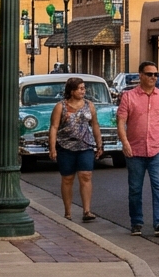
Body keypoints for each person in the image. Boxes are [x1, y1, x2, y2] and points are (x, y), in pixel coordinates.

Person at [117, 61, 159, 237]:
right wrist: (125, 143)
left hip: (158, 149)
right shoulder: (128, 96)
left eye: (156, 75)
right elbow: (121, 122)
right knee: (135, 188)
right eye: (149, 74)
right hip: (135, 150)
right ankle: (136, 222)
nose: (153, 78)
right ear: (140, 75)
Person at [47, 77, 103, 222]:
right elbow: (54, 127)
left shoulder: (89, 105)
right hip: (65, 147)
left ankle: (87, 211)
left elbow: (95, 124)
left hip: (85, 146)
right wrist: (52, 148)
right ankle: (68, 212)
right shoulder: (61, 106)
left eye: (84, 88)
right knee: (67, 178)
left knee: (86, 175)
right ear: (72, 91)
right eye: (80, 88)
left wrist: (99, 143)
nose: (83, 91)